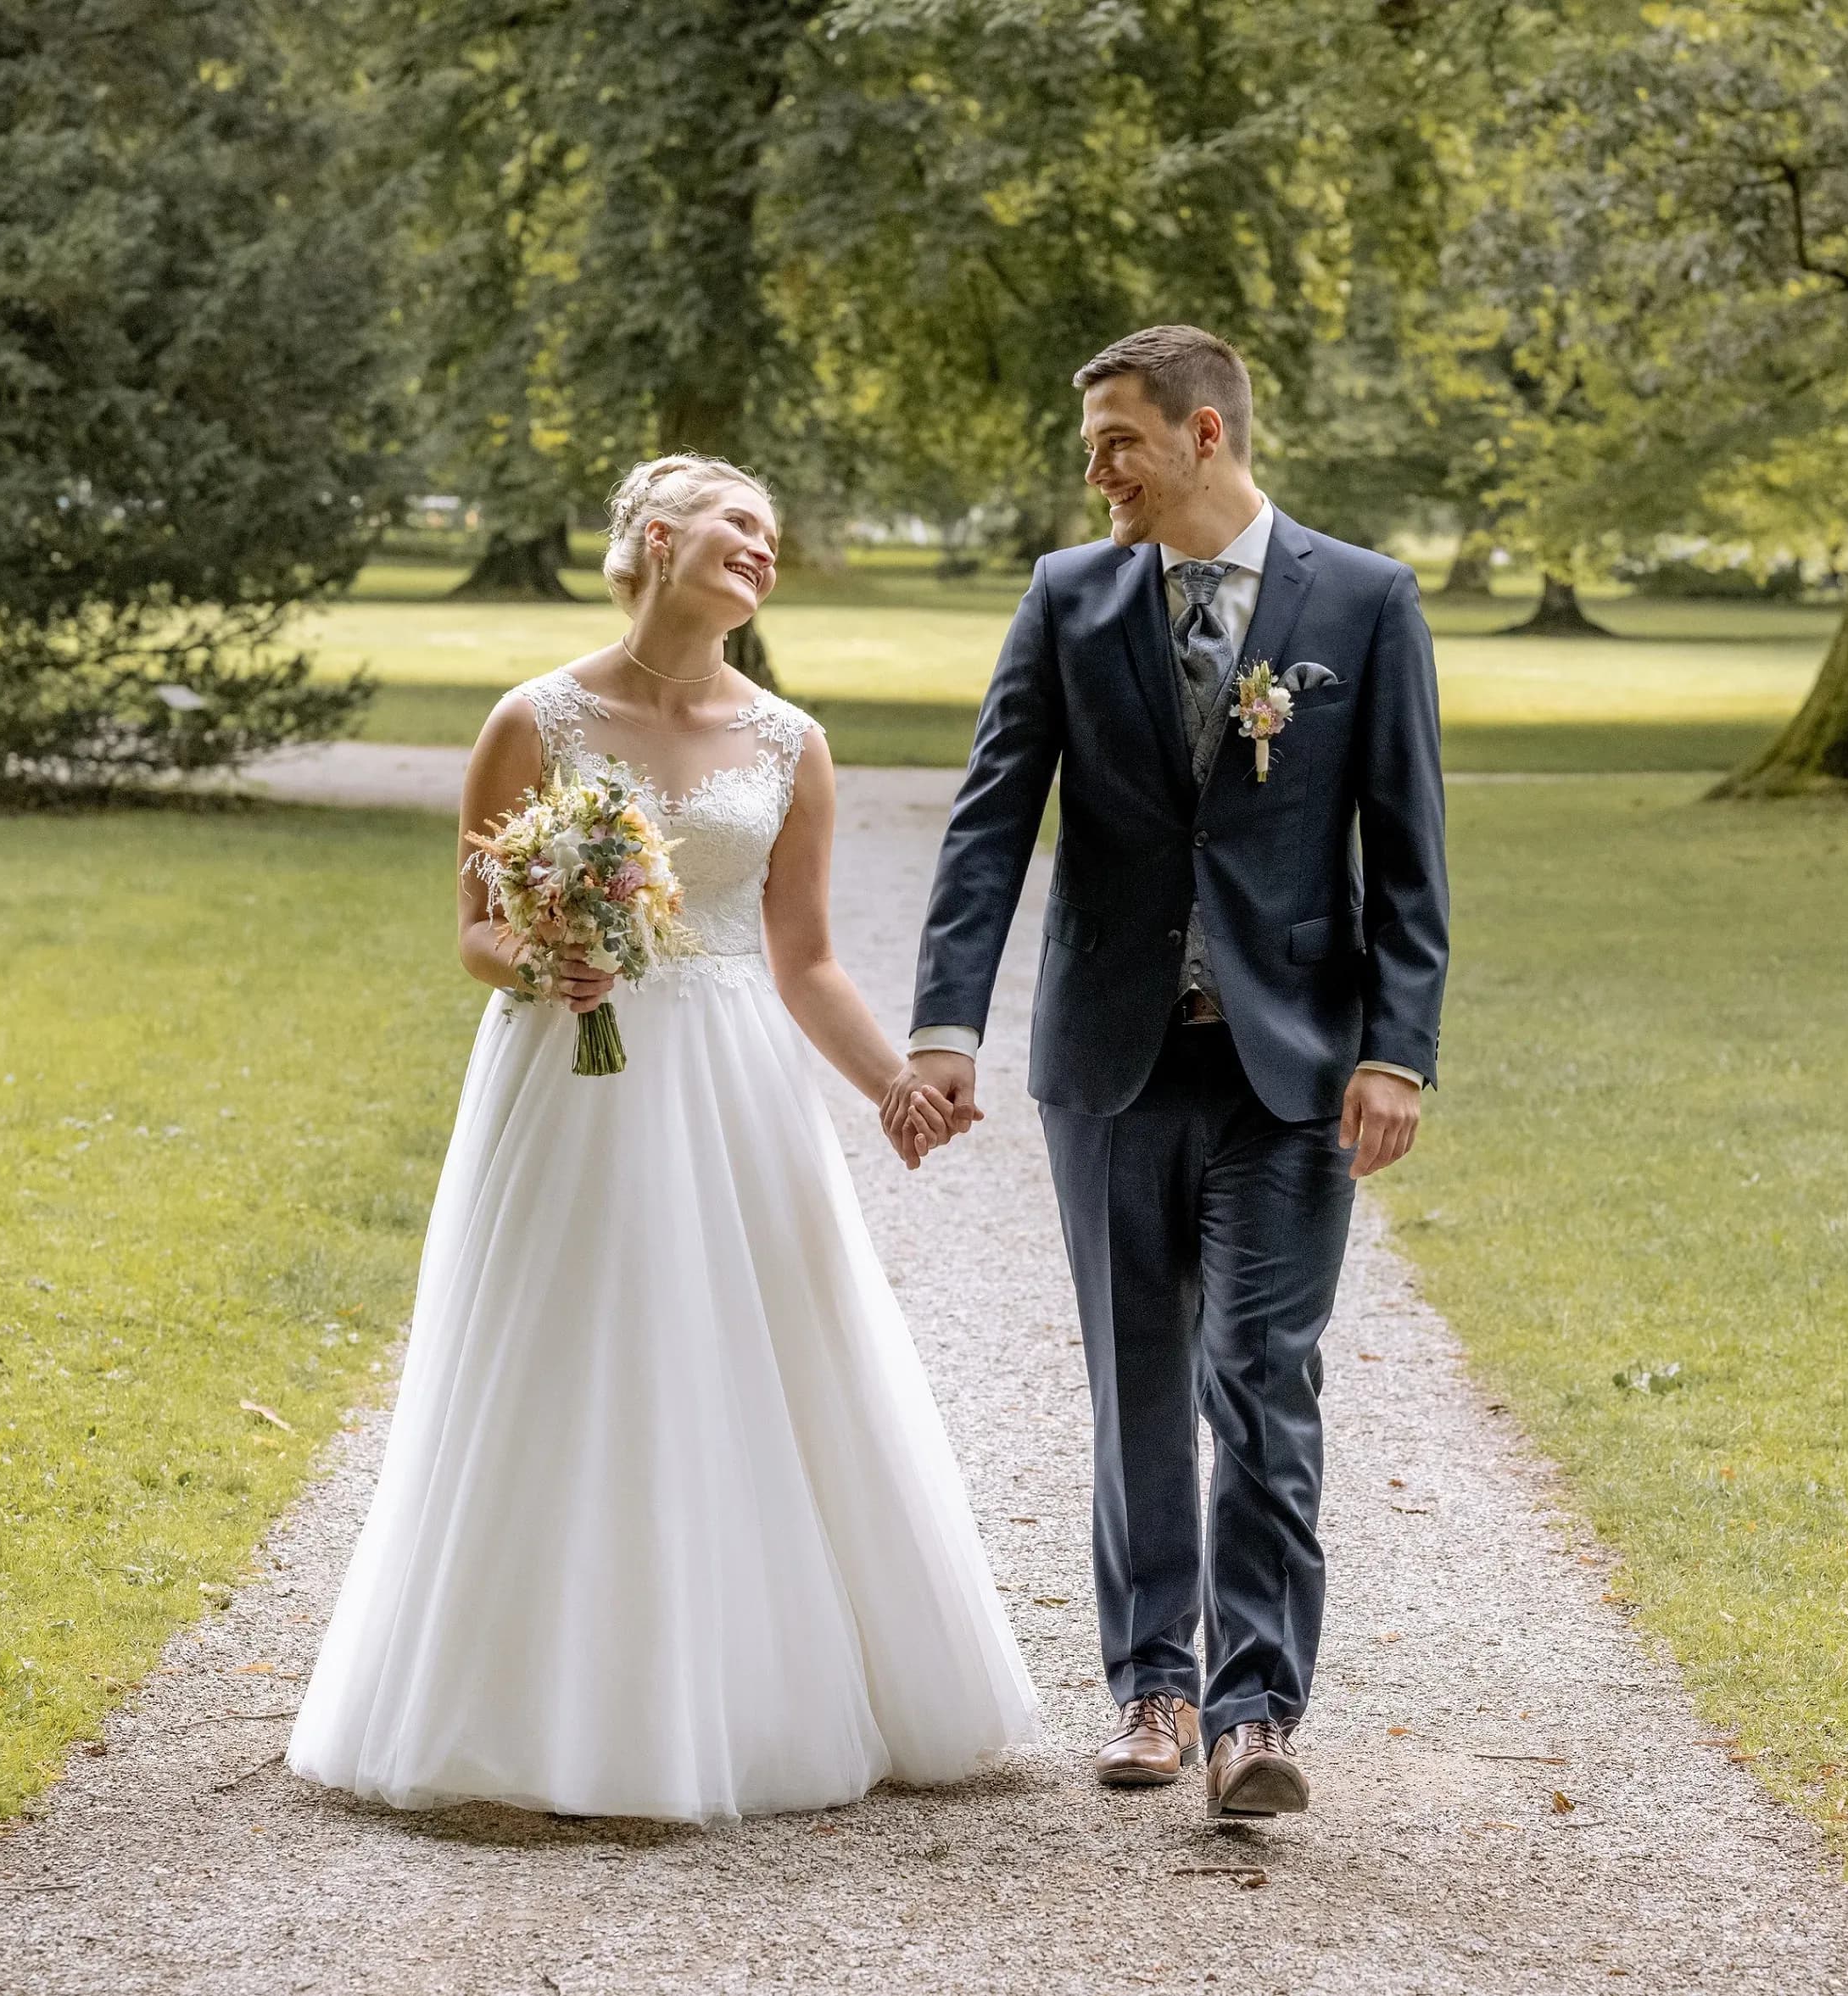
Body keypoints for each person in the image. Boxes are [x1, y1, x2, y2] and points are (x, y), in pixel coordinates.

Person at [288, 454, 1039, 1822]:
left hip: (733, 1076)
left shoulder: (791, 742)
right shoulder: (536, 719)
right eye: (739, 523)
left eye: (774, 533)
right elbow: (472, 926)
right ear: (652, 536)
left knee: (749, 1350)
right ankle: (526, 1704)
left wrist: (893, 1085)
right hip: (564, 1075)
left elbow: (805, 958)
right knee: (569, 1347)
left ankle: (743, 1692)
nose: (764, 547)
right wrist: (541, 958)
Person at [892, 326, 1449, 1818]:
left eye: (1118, 440)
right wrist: (946, 1026)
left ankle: (1257, 1715)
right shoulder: (1071, 597)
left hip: (1291, 1072)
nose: (1097, 472)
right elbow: (992, 819)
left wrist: (1399, 1049)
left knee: (1262, 1379)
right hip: (1113, 1063)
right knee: (1139, 1379)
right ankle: (1154, 1683)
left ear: (1206, 435)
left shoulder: (1367, 601)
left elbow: (1406, 852)